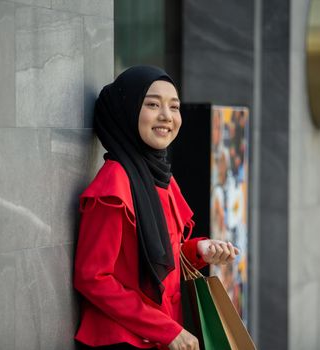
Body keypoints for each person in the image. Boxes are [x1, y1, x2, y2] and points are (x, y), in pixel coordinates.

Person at [74, 65, 239, 350]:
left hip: (162, 335)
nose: (166, 116)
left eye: (174, 107)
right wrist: (165, 330)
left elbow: (160, 255)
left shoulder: (159, 177)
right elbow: (93, 277)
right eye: (152, 104)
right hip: (125, 339)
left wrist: (198, 250)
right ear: (127, 110)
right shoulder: (114, 185)